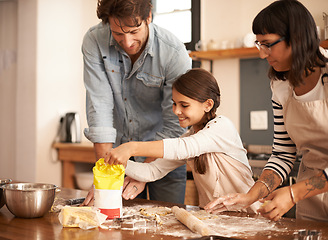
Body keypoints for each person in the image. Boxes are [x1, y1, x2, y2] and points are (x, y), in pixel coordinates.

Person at [204, 0, 328, 222]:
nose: (262, 54)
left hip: (301, 191)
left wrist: (293, 193)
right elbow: (283, 153)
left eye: (268, 44)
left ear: (296, 37)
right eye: (259, 44)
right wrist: (251, 195)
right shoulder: (281, 85)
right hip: (311, 200)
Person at [81, 0, 191, 205]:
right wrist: (104, 175)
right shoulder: (94, 40)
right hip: (116, 157)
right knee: (116, 227)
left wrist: (143, 172)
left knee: (167, 228)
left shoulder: (174, 53)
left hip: (163, 156)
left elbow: (176, 123)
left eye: (133, 31)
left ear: (148, 16)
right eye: (118, 33)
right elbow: (99, 105)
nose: (128, 41)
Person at [106, 68, 261, 212]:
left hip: (249, 218)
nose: (176, 111)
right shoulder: (190, 137)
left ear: (208, 105)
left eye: (184, 105)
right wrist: (118, 162)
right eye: (174, 103)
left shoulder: (222, 127)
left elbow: (182, 147)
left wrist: (131, 147)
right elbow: (153, 171)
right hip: (216, 221)